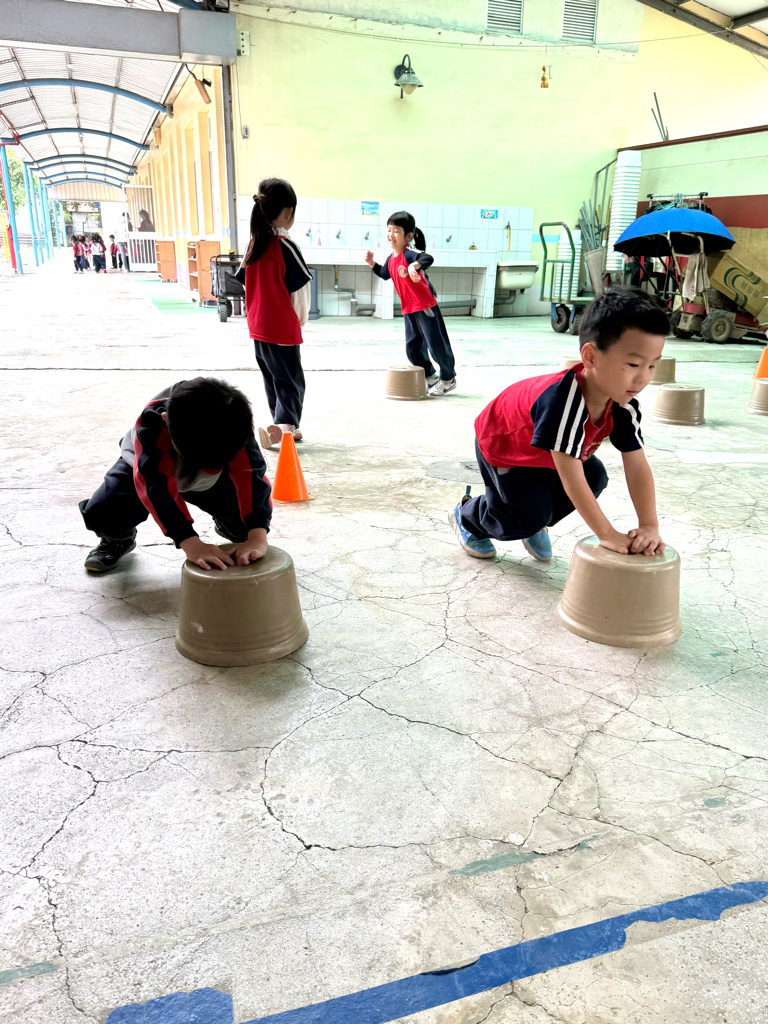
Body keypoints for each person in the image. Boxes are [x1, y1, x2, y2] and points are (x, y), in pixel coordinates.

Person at [449, 288, 669, 561]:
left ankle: (533, 519)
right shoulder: (564, 403)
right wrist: (606, 533)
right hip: (503, 445)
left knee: (595, 476)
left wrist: (649, 525)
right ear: (591, 357)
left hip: (544, 453)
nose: (643, 378)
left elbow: (636, 463)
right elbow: (570, 478)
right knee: (523, 518)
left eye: (652, 366)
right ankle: (468, 517)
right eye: (634, 364)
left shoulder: (624, 405)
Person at [79, 377, 271, 574]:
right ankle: (118, 540)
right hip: (148, 471)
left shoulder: (234, 423)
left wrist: (257, 537)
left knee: (247, 524)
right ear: (166, 421)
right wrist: (191, 543)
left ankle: (231, 527)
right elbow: (155, 488)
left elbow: (253, 479)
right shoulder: (152, 424)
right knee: (102, 514)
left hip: (212, 480)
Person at [240, 177, 312, 450]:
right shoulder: (285, 247)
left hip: (258, 328)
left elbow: (246, 284)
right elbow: (300, 292)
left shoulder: (253, 246)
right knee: (290, 381)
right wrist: (299, 321)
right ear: (289, 212)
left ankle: (285, 425)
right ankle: (284, 426)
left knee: (272, 378)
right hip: (281, 329)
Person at [364, 211, 457, 396]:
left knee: (436, 345)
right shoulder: (392, 259)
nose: (390, 235)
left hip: (425, 306)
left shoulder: (409, 254)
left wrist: (414, 266)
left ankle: (448, 379)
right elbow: (384, 274)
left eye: (396, 231)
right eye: (388, 230)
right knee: (413, 349)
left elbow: (427, 258)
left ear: (408, 236)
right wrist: (372, 263)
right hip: (409, 310)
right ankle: (430, 377)